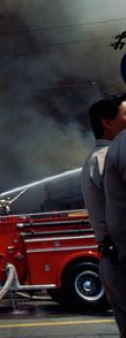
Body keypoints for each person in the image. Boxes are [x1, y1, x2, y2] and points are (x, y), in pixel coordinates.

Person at [83, 94, 126, 337]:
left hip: (112, 258)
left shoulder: (95, 158)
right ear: (107, 123)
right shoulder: (109, 157)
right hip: (120, 257)